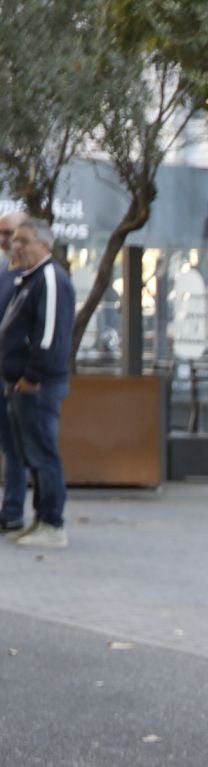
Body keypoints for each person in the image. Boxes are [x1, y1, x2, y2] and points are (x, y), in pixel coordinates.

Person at [1, 217, 74, 550]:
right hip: (20, 383)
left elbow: (48, 338)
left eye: (24, 240)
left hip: (38, 386)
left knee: (43, 454)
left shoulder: (50, 278)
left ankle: (53, 523)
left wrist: (31, 378)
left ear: (44, 244)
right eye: (14, 240)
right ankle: (40, 518)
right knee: (32, 453)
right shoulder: (28, 279)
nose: (16, 246)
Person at [0, 211, 24, 536]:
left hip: (15, 377)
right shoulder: (3, 272)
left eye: (10, 233)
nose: (5, 240)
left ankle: (14, 510)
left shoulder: (35, 276)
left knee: (14, 445)